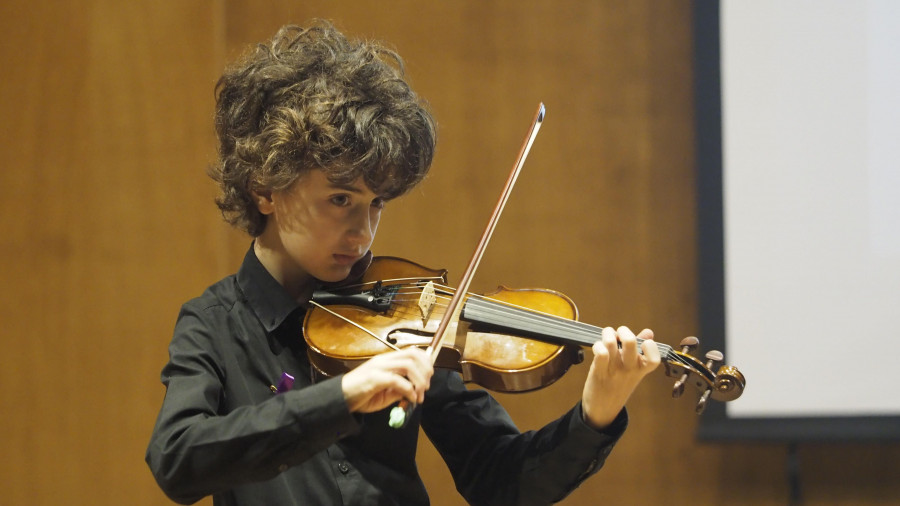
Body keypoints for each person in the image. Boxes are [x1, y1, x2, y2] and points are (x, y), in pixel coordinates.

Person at [145, 20, 661, 506]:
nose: (363, 232)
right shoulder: (213, 324)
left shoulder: (405, 319)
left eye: (377, 204)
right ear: (265, 189)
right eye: (341, 200)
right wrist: (341, 397)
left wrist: (595, 414)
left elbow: (501, 478)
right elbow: (178, 458)